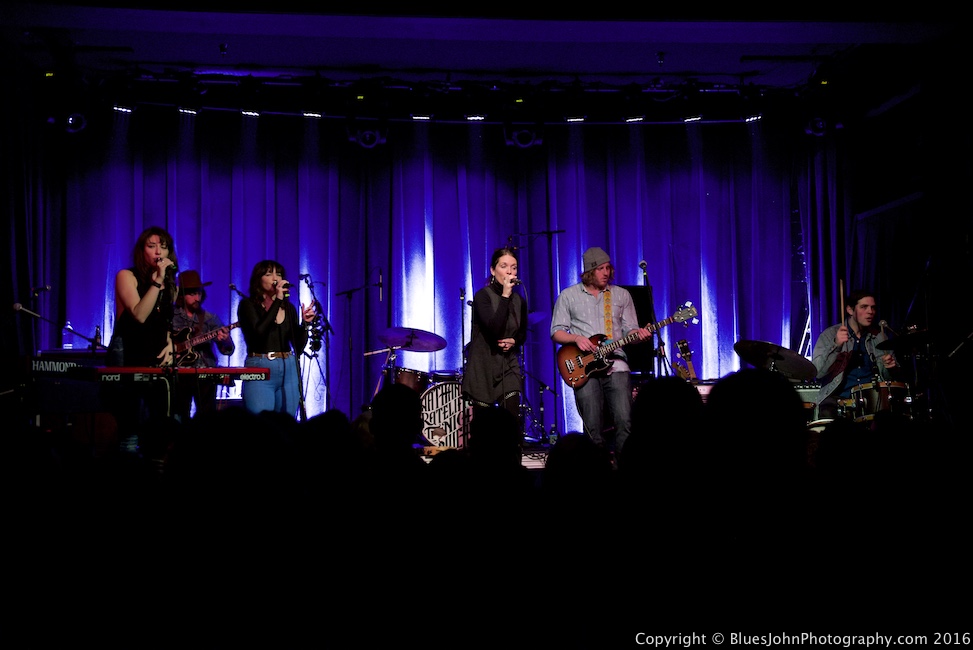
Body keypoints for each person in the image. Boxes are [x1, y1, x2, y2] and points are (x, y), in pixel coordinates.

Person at [550, 246, 652, 459]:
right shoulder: (568, 296)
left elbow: (629, 329)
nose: (606, 272)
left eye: (608, 268)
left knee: (625, 420)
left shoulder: (621, 295)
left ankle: (625, 466)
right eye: (600, 269)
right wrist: (577, 338)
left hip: (617, 364)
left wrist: (639, 334)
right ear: (589, 271)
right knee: (592, 426)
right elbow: (556, 332)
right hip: (584, 366)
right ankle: (598, 470)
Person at [104, 225, 179, 455]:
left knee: (161, 429)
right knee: (130, 430)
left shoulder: (171, 287)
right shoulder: (126, 276)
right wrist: (157, 281)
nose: (159, 251)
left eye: (163, 247)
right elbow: (139, 315)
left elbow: (164, 322)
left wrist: (170, 344)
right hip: (129, 357)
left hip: (157, 361)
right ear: (142, 250)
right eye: (152, 246)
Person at [238, 260, 316, 418]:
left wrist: (305, 325)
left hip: (288, 367)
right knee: (261, 423)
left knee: (287, 424)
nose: (275, 277)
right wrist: (278, 300)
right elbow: (259, 333)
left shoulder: (289, 308)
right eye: (269, 274)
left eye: (278, 274)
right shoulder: (247, 305)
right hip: (259, 366)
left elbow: (298, 347)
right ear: (258, 280)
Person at [461, 246, 528, 428]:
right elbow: (494, 330)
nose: (509, 271)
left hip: (507, 365)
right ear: (493, 270)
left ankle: (513, 454)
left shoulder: (519, 301)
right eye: (504, 266)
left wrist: (515, 341)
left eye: (514, 267)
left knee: (512, 422)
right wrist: (505, 296)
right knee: (484, 427)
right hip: (483, 365)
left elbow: (522, 332)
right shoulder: (483, 296)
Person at [812, 289, 900, 421]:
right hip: (838, 400)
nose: (870, 311)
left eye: (873, 307)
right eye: (864, 307)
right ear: (850, 310)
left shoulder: (879, 337)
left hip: (872, 399)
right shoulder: (830, 334)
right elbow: (817, 373)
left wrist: (891, 368)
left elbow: (890, 379)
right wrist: (836, 345)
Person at [170, 269, 236, 423]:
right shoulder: (171, 316)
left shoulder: (210, 318)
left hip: (205, 373)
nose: (197, 298)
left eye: (199, 293)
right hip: (178, 374)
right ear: (182, 295)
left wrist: (225, 339)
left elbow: (228, 350)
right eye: (192, 294)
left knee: (207, 418)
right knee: (179, 416)